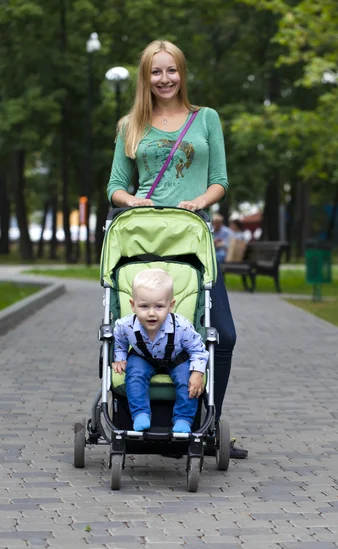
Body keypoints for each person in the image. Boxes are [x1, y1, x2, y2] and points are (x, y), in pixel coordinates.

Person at [107, 39, 247, 458]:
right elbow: (116, 186)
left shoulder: (205, 119)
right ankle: (138, 417)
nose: (164, 79)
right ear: (144, 77)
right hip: (146, 240)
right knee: (136, 332)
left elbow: (219, 179)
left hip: (193, 236)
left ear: (182, 73)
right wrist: (131, 200)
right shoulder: (130, 125)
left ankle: (206, 428)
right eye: (156, 71)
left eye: (172, 70)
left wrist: (202, 202)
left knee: (222, 336)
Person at [112, 269, 208, 433]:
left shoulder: (181, 327)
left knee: (187, 379)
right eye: (144, 306)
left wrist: (197, 372)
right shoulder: (125, 326)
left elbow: (198, 349)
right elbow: (119, 339)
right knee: (134, 375)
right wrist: (120, 356)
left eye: (159, 306)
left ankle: (183, 418)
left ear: (170, 306)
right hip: (143, 357)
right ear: (133, 305)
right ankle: (140, 413)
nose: (151, 313)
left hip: (176, 358)